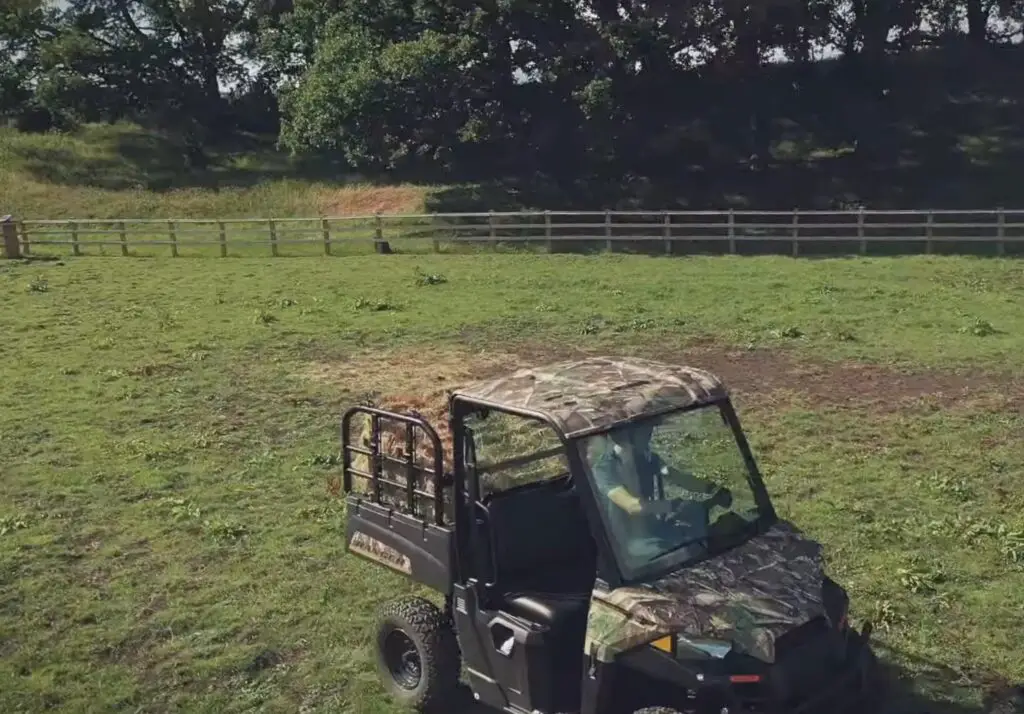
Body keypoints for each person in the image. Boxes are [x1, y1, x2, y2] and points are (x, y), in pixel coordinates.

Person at [588, 420, 731, 553]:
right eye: (645, 429)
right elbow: (631, 506)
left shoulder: (646, 458)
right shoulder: (604, 470)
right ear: (625, 435)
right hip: (625, 543)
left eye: (649, 428)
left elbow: (675, 476)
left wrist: (712, 488)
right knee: (682, 552)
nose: (650, 433)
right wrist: (672, 505)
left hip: (651, 529)